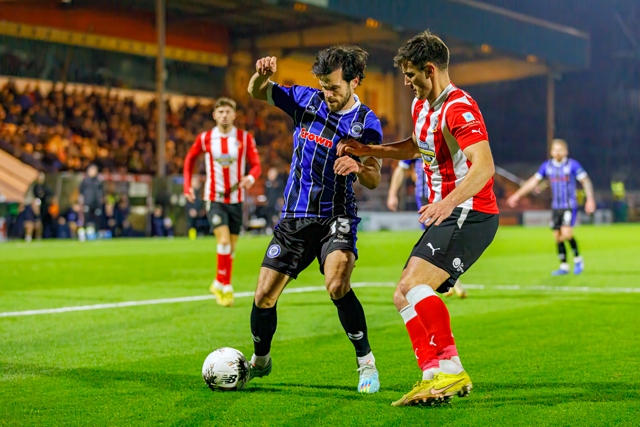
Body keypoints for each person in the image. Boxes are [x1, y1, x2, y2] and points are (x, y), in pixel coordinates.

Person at [338, 31, 499, 405]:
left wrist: (448, 202)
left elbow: (484, 166)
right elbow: (415, 146)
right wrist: (369, 149)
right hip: (451, 213)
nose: (406, 82)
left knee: (413, 287)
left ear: (430, 69)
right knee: (402, 295)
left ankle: (452, 369)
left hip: (470, 213)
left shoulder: (458, 107)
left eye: (410, 75)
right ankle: (431, 375)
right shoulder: (422, 106)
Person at [247, 45, 384, 393]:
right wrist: (261, 77)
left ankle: (366, 362)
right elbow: (256, 91)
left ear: (354, 81)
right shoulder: (306, 100)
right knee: (263, 295)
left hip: (336, 215)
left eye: (334, 87)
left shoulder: (365, 122)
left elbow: (374, 177)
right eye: (323, 86)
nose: (328, 94)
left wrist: (358, 166)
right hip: (295, 215)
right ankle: (260, 362)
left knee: (337, 284)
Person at [183, 97, 262, 307]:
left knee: (232, 247)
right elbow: (190, 159)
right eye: (220, 112)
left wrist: (250, 178)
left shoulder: (244, 139)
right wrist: (187, 186)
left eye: (228, 111)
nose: (224, 115)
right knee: (224, 241)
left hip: (236, 199)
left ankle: (218, 280)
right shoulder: (206, 138)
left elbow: (256, 165)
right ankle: (226, 287)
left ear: (234, 115)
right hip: (214, 197)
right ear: (214, 115)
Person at [507, 139, 595, 275]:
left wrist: (590, 200)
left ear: (566, 151)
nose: (557, 152)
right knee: (558, 237)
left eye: (560, 149)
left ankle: (578, 259)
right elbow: (533, 182)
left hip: (568, 205)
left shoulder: (572, 165)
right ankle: (564, 266)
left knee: (566, 233)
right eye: (555, 149)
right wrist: (517, 196)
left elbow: (586, 181)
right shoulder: (547, 166)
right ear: (551, 152)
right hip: (555, 206)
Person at [388, 159, 468, 298]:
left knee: (442, 240)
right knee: (437, 240)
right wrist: (392, 194)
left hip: (445, 197)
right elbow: (401, 168)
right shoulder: (419, 144)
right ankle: (450, 282)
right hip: (426, 200)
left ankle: (450, 282)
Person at [78, 164, 104, 236]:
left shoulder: (99, 182)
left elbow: (102, 193)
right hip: (87, 203)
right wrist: (80, 203)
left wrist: (100, 201)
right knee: (86, 218)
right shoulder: (85, 181)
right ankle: (83, 233)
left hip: (96, 204)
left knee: (97, 219)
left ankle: (96, 233)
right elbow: (81, 192)